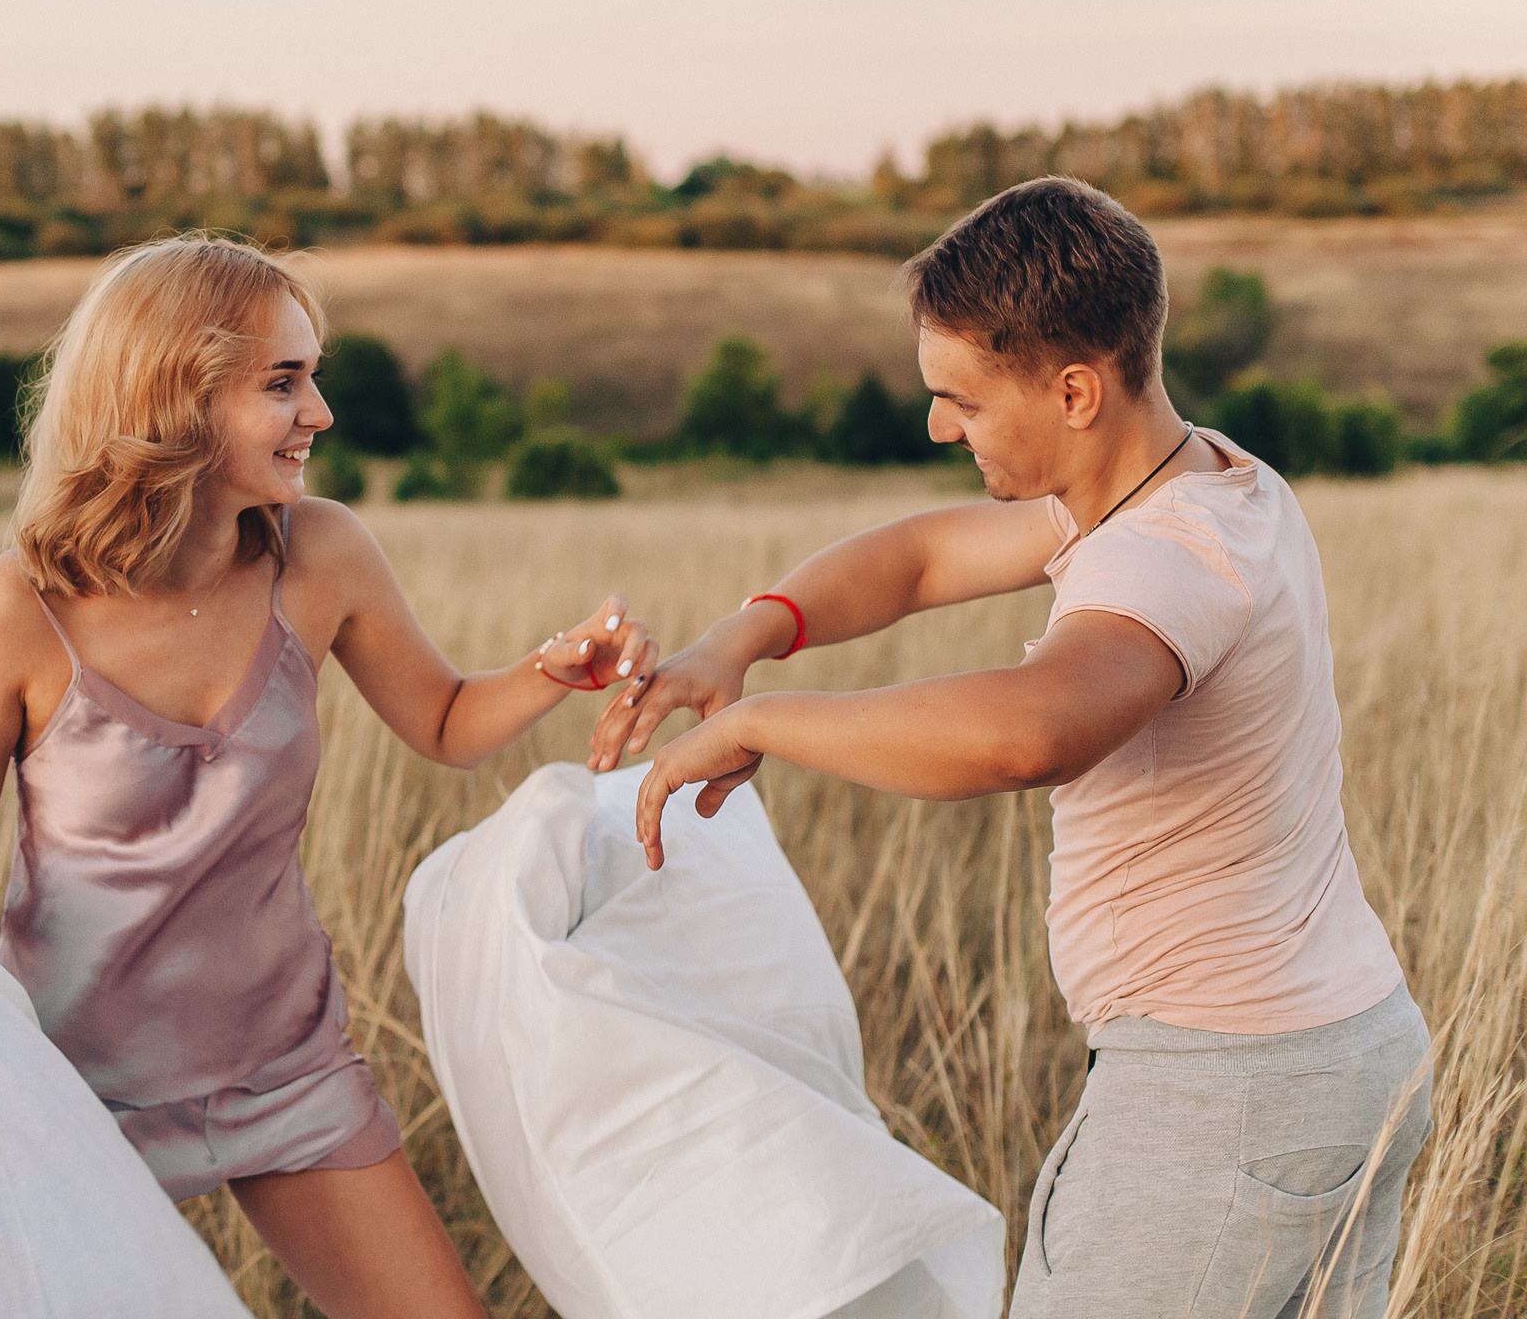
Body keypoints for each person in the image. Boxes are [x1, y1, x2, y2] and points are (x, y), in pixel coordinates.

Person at [593, 178, 1432, 1319]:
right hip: (1336, 1054)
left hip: (1228, 1086)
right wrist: (745, 637)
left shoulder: (1166, 558)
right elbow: (920, 558)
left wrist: (757, 725)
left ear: (1076, 390)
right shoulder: (1196, 484)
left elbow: (1026, 734)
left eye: (964, 400)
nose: (940, 425)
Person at [0, 234, 649, 1319]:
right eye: (283, 383)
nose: (321, 413)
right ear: (175, 397)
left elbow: (445, 720)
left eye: (314, 376)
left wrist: (552, 670)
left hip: (287, 1068)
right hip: (74, 1095)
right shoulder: (16, 606)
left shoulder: (325, 557)